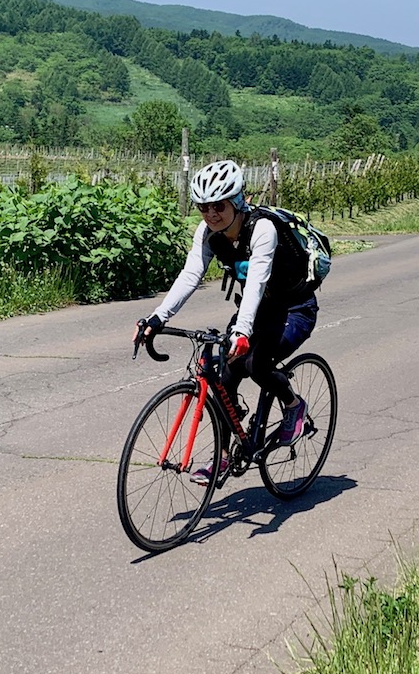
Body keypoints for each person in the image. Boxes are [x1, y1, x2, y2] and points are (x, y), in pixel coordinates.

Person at [134, 160, 319, 484]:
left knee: (256, 366)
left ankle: (294, 407)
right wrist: (158, 317)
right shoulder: (208, 234)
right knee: (224, 376)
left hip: (293, 309)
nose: (210, 214)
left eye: (218, 206)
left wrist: (242, 331)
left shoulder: (262, 229)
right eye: (203, 207)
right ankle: (223, 455)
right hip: (259, 310)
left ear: (236, 202)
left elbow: (258, 282)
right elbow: (191, 275)